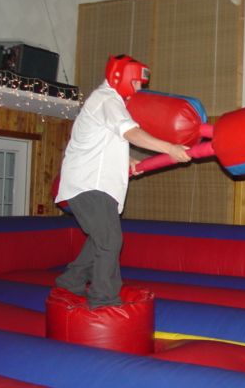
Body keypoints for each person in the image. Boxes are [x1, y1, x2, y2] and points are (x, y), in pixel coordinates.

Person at [54, 54, 191, 309]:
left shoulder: (110, 102)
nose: (139, 89)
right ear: (122, 78)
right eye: (137, 83)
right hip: (89, 185)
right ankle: (103, 299)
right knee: (110, 240)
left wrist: (125, 159)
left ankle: (71, 280)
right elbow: (131, 132)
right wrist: (169, 148)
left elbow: (105, 140)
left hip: (95, 184)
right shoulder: (107, 99)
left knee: (100, 238)